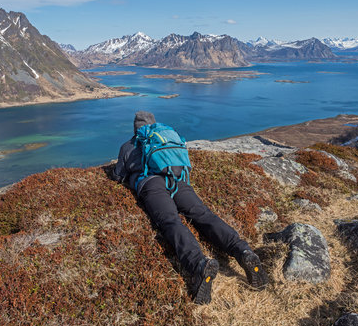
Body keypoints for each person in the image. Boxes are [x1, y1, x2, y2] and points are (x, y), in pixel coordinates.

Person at [112, 111, 268, 304]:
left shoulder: (128, 146)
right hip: (178, 181)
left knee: (170, 221)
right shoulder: (165, 138)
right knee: (203, 215)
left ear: (136, 128)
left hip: (152, 185)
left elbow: (118, 176)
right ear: (154, 125)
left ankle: (199, 264)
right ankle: (243, 251)